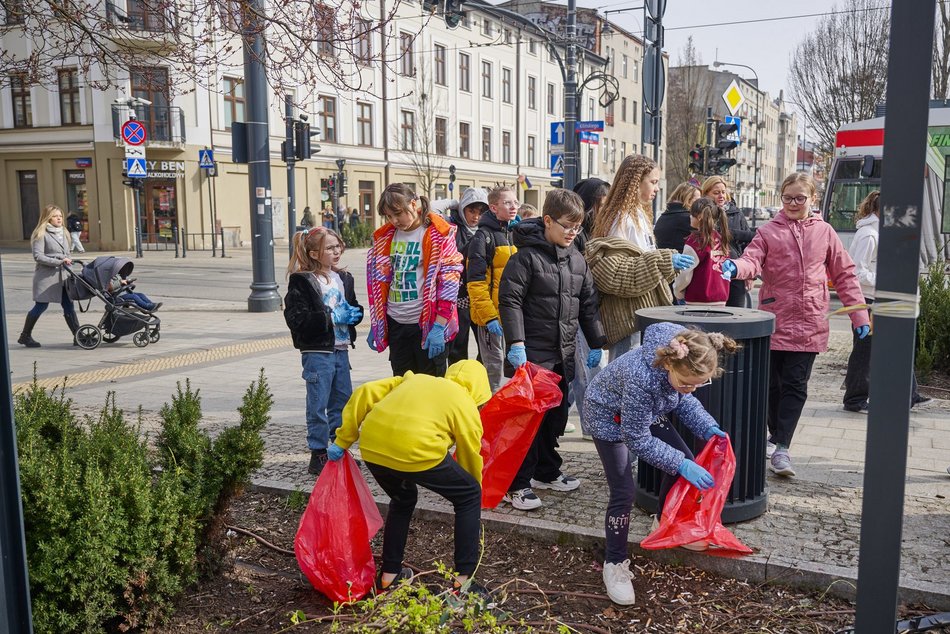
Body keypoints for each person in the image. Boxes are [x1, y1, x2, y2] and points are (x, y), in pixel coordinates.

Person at [722, 172, 870, 477]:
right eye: (787, 197)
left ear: (812, 199)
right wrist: (736, 267)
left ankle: (783, 447)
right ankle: (775, 435)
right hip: (774, 321)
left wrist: (859, 314)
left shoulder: (825, 233)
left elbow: (844, 275)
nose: (792, 203)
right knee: (770, 387)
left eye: (799, 198)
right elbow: (753, 261)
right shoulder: (768, 232)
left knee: (795, 385)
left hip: (809, 321)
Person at [584, 322, 737, 604]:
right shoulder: (642, 378)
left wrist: (707, 427)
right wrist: (679, 463)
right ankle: (614, 563)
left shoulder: (682, 363)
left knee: (682, 463)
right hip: (607, 415)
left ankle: (663, 522)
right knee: (624, 492)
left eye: (698, 384)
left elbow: (683, 399)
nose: (691, 390)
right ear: (668, 366)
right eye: (687, 382)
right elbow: (637, 439)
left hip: (640, 412)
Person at [327, 360, 492, 599]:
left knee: (403, 498)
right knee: (469, 496)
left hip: (373, 446)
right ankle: (463, 584)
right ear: (479, 391)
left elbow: (364, 392)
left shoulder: (413, 377)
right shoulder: (464, 402)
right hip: (416, 450)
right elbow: (469, 451)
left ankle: (389, 577)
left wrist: (343, 439)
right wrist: (472, 488)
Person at [498, 188, 607, 510]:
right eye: (567, 226)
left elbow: (587, 305)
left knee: (554, 420)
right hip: (532, 356)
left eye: (578, 227)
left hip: (564, 355)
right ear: (547, 221)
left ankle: (546, 472)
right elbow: (510, 300)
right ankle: (516, 484)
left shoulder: (577, 260)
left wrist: (597, 342)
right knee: (527, 424)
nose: (573, 232)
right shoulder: (525, 258)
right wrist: (516, 342)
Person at [587, 155, 694, 361]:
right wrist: (664, 261)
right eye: (653, 182)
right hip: (627, 314)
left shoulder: (638, 214)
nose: (657, 189)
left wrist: (666, 265)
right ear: (636, 182)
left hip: (640, 309)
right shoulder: (621, 218)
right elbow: (619, 270)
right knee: (628, 365)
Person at [842, 191, 931, 412]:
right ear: (883, 210)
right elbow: (856, 272)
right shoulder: (869, 235)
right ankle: (854, 399)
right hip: (869, 301)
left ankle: (910, 393)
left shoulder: (882, 231)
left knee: (897, 345)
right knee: (864, 352)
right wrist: (889, 280)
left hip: (883, 298)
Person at [284, 226, 363, 476]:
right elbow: (297, 319)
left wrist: (355, 314)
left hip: (340, 350)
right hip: (318, 352)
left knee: (342, 402)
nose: (336, 250)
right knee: (318, 404)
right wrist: (329, 318)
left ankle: (339, 447)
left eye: (338, 245)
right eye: (329, 248)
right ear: (314, 254)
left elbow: (353, 305)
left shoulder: (344, 278)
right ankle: (318, 451)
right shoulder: (302, 281)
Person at [366, 183, 463, 377]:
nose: (394, 220)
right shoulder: (386, 237)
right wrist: (377, 322)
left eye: (398, 213)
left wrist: (439, 325)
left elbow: (449, 282)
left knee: (429, 388)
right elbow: (381, 282)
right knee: (401, 385)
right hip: (396, 323)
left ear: (413, 203)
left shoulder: (438, 234)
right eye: (389, 216)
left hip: (427, 325)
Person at [467, 186, 520, 392]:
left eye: (515, 202)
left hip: (513, 315)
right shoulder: (482, 238)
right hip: (492, 319)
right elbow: (475, 283)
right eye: (507, 203)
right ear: (494, 207)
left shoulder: (516, 233)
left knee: (515, 369)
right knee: (494, 370)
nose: (513, 206)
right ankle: (488, 416)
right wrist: (489, 317)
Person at [569, 178, 611, 437]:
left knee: (579, 372)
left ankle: (562, 414)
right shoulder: (576, 235)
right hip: (577, 312)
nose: (605, 209)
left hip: (588, 309)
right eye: (601, 203)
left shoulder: (597, 230)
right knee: (587, 372)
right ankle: (591, 427)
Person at [431, 187, 490, 365]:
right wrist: (454, 203)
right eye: (471, 210)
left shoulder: (487, 230)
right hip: (459, 300)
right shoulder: (451, 227)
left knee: (487, 350)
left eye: (481, 212)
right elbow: (430, 210)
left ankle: (478, 383)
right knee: (457, 350)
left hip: (480, 299)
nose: (476, 216)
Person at [19, 204, 79, 348]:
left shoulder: (64, 232)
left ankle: (78, 336)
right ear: (48, 218)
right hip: (46, 277)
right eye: (55, 216)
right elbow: (38, 256)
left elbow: (67, 254)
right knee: (41, 306)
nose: (59, 218)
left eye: (60, 216)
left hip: (64, 276)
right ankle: (25, 336)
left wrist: (68, 262)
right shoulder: (40, 233)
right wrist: (59, 261)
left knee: (69, 305)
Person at [702, 177, 755, 308]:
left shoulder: (736, 213)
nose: (721, 196)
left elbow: (747, 246)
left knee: (735, 314)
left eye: (723, 192)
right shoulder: (701, 214)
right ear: (706, 194)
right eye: (716, 193)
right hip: (710, 273)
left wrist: (749, 274)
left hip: (734, 271)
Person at [672, 197, 732, 306]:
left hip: (697, 300)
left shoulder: (695, 241)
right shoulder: (721, 239)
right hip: (721, 298)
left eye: (692, 214)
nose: (689, 217)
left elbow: (685, 274)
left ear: (699, 217)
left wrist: (677, 291)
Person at [654, 182, 701, 253]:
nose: (700, 204)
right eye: (697, 200)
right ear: (688, 199)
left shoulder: (664, 216)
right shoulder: (687, 218)